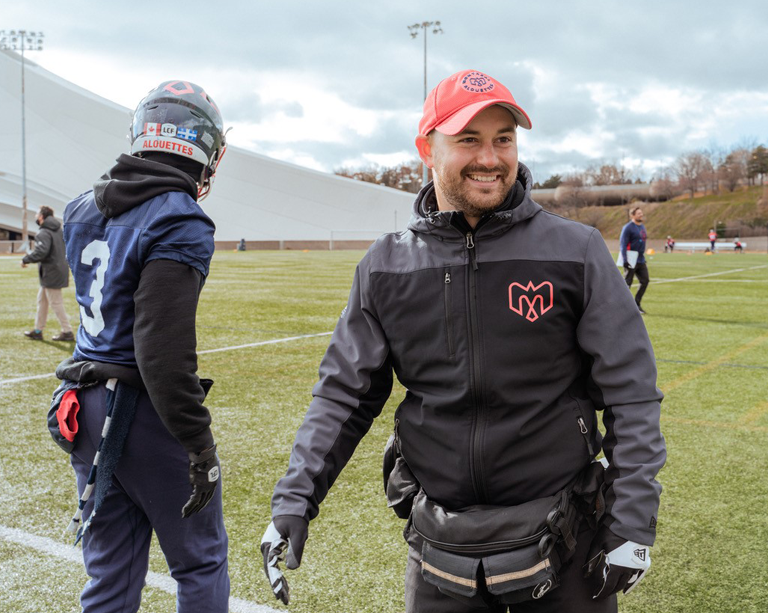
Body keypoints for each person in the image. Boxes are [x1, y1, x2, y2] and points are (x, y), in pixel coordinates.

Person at [261, 69, 665, 613]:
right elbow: (343, 396)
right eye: (468, 139)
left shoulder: (576, 251)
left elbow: (631, 393)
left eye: (504, 139)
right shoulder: (385, 266)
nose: (491, 158)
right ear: (426, 148)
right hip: (439, 555)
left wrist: (633, 521)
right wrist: (294, 502)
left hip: (564, 547)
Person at [51, 81, 229, 613]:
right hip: (142, 411)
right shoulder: (178, 215)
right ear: (203, 148)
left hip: (82, 403)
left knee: (111, 571)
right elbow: (161, 351)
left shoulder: (82, 205)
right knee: (200, 561)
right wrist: (198, 444)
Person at [21, 206, 74, 341]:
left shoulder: (44, 232)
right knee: (42, 301)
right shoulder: (59, 231)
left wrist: (25, 259)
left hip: (51, 272)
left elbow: (41, 252)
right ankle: (38, 330)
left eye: (37, 213)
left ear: (41, 216)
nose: (35, 216)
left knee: (56, 303)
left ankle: (67, 331)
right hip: (56, 270)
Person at [620, 207, 649, 314]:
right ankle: (621, 306)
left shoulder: (642, 227)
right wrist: (625, 260)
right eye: (638, 213)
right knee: (627, 283)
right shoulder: (627, 228)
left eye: (641, 213)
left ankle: (636, 304)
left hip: (641, 260)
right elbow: (623, 244)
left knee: (645, 281)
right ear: (632, 215)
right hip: (630, 259)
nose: (641, 215)